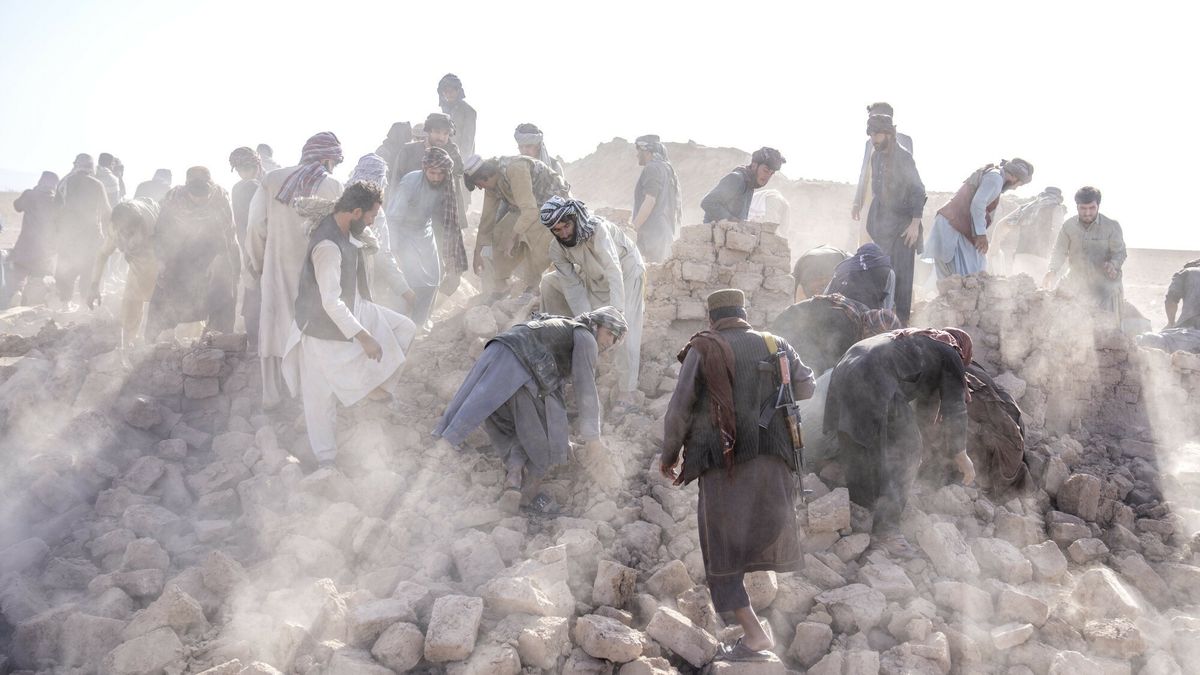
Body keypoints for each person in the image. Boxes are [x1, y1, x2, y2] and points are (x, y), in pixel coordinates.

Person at [659, 289, 814, 661]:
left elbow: (679, 409)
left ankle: (755, 633)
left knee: (721, 552)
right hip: (775, 463)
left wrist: (669, 455)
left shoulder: (703, 348)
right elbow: (806, 386)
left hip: (725, 466)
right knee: (754, 538)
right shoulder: (776, 343)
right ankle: (764, 624)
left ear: (712, 319)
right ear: (744, 313)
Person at [434, 307, 627, 513]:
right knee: (544, 439)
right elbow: (585, 388)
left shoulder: (561, 328)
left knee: (510, 425)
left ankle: (514, 478)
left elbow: (551, 387)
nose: (609, 342)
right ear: (596, 324)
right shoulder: (586, 337)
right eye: (609, 334)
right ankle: (527, 496)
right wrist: (592, 440)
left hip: (499, 352)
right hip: (519, 363)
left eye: (615, 340)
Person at [283, 182, 417, 470]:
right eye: (369, 216)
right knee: (319, 400)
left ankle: (373, 387)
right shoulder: (327, 246)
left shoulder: (348, 230)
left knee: (404, 329)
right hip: (320, 328)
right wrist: (365, 337)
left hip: (356, 308)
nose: (371, 223)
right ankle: (326, 461)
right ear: (355, 212)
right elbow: (330, 302)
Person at [823, 328, 976, 555]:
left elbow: (923, 408)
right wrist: (960, 454)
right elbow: (955, 407)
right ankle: (886, 532)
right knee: (907, 452)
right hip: (875, 376)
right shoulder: (951, 352)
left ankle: (858, 509)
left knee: (860, 444)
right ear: (963, 351)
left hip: (846, 368)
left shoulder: (920, 341)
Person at [245, 132, 344, 408]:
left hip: (276, 267)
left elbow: (255, 226)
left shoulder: (272, 179)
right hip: (314, 271)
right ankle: (303, 397)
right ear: (327, 158)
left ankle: (271, 396)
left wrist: (256, 263)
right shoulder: (333, 185)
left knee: (274, 324)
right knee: (307, 328)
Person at [539, 197, 645, 412]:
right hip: (594, 275)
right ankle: (563, 351)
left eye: (566, 226)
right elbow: (572, 288)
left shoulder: (598, 231)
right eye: (557, 230)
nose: (564, 234)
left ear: (575, 220)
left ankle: (628, 390)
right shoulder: (557, 248)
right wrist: (587, 326)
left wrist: (615, 315)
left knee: (626, 325)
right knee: (549, 282)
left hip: (625, 272)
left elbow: (614, 269)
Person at [144, 167, 239, 340]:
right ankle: (154, 342)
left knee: (222, 290)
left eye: (204, 195)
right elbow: (160, 231)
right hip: (179, 250)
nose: (200, 200)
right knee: (165, 291)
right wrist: (161, 260)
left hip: (214, 251)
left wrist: (218, 260)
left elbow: (228, 233)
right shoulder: (173, 198)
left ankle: (220, 339)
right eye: (195, 195)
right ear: (187, 189)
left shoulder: (220, 198)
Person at [465, 154, 570, 301]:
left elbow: (530, 211)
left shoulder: (515, 169)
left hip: (553, 205)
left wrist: (513, 237)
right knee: (499, 232)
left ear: (484, 176)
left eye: (479, 184)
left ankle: (533, 286)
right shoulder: (492, 184)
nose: (481, 188)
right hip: (528, 209)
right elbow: (486, 221)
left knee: (531, 233)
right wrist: (478, 252)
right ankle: (501, 285)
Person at [384, 147, 463, 326]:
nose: (436, 177)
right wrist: (394, 249)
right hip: (403, 232)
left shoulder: (447, 183)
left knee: (434, 277)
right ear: (424, 169)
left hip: (424, 231)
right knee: (409, 279)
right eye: (432, 173)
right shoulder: (410, 181)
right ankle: (399, 322)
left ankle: (420, 322)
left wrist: (450, 254)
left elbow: (450, 220)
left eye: (440, 173)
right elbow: (393, 218)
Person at [858, 115, 926, 322]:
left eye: (877, 134)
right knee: (883, 271)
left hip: (904, 225)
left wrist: (915, 224)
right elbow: (878, 191)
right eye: (871, 134)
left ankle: (902, 320)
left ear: (889, 133)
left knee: (903, 277)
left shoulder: (904, 158)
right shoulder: (876, 156)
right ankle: (880, 318)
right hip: (883, 224)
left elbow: (918, 190)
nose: (873, 139)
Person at [927, 158, 1034, 281]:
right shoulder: (996, 178)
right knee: (969, 276)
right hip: (952, 225)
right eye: (1019, 185)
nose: (1015, 188)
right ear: (1015, 178)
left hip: (953, 224)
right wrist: (981, 234)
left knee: (960, 277)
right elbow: (978, 204)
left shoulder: (994, 174)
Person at [346, 153, 416, 317]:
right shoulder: (375, 211)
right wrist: (405, 291)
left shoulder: (340, 195)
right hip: (358, 279)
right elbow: (382, 255)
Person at [769, 293, 902, 376]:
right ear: (870, 331)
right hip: (786, 331)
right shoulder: (845, 327)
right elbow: (826, 359)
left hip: (800, 328)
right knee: (810, 373)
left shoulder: (863, 315)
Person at [88, 198, 160, 347]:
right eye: (123, 231)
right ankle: (127, 344)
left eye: (132, 232)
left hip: (158, 257)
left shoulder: (154, 225)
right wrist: (94, 285)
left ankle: (166, 341)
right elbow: (102, 254)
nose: (127, 235)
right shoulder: (115, 231)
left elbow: (171, 251)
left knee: (165, 301)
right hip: (137, 261)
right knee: (131, 301)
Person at [1042, 186, 1127, 313]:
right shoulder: (1068, 226)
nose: (1087, 213)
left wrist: (1113, 264)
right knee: (1057, 309)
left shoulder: (1111, 226)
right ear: (1077, 206)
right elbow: (1059, 251)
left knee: (1108, 323)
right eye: (1083, 208)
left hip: (1105, 285)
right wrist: (1052, 270)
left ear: (1098, 205)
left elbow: (1120, 252)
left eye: (1092, 208)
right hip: (1077, 281)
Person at [54, 153, 112, 308]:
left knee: (66, 269)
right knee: (88, 270)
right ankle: (83, 306)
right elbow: (107, 212)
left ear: (76, 165)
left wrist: (56, 233)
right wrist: (109, 234)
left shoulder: (64, 183)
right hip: (91, 237)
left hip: (68, 236)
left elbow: (55, 210)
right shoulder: (97, 184)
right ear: (91, 167)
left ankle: (64, 304)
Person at [852, 102, 914, 229]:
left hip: (896, 204)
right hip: (871, 201)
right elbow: (864, 173)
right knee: (867, 243)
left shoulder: (905, 140)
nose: (870, 120)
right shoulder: (869, 143)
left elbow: (909, 175)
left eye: (873, 116)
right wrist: (857, 202)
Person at [230, 147, 265, 349]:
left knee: (252, 293)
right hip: (260, 248)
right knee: (260, 296)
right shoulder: (256, 187)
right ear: (257, 166)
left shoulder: (237, 188)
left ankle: (254, 344)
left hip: (246, 248)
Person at [7, 172, 60, 305]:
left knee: (19, 274)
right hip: (45, 249)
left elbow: (17, 206)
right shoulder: (56, 201)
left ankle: (17, 294)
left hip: (25, 245)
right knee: (38, 278)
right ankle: (31, 302)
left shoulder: (30, 195)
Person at [992, 186, 1066, 277]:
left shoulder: (1027, 207)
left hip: (1020, 256)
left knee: (1017, 287)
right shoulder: (1056, 208)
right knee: (1036, 289)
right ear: (1058, 198)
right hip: (1041, 258)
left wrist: (994, 246)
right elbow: (1059, 234)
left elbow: (1003, 224)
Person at [632, 135, 683, 264]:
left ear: (647, 152)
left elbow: (650, 201)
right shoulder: (666, 168)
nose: (637, 155)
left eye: (639, 151)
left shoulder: (652, 168)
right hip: (662, 232)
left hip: (653, 234)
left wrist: (633, 228)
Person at [700, 147, 785, 224]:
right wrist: (732, 220)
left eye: (771, 174)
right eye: (765, 171)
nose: (767, 177)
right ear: (754, 165)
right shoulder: (737, 179)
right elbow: (708, 202)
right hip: (715, 237)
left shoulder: (750, 185)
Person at [1138, 259, 1200, 353]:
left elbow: (1171, 299)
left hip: (1193, 333)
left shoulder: (1187, 272)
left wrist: (1170, 322)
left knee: (1149, 340)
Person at [826, 242, 896, 311]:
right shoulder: (887, 270)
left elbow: (827, 292)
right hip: (867, 318)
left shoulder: (842, 267)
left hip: (836, 313)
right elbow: (888, 303)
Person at [438, 73, 476, 159]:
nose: (448, 94)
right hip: (444, 160)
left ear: (458, 90)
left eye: (451, 91)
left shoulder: (468, 111)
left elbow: (468, 141)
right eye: (446, 92)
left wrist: (461, 164)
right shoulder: (444, 112)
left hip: (461, 160)